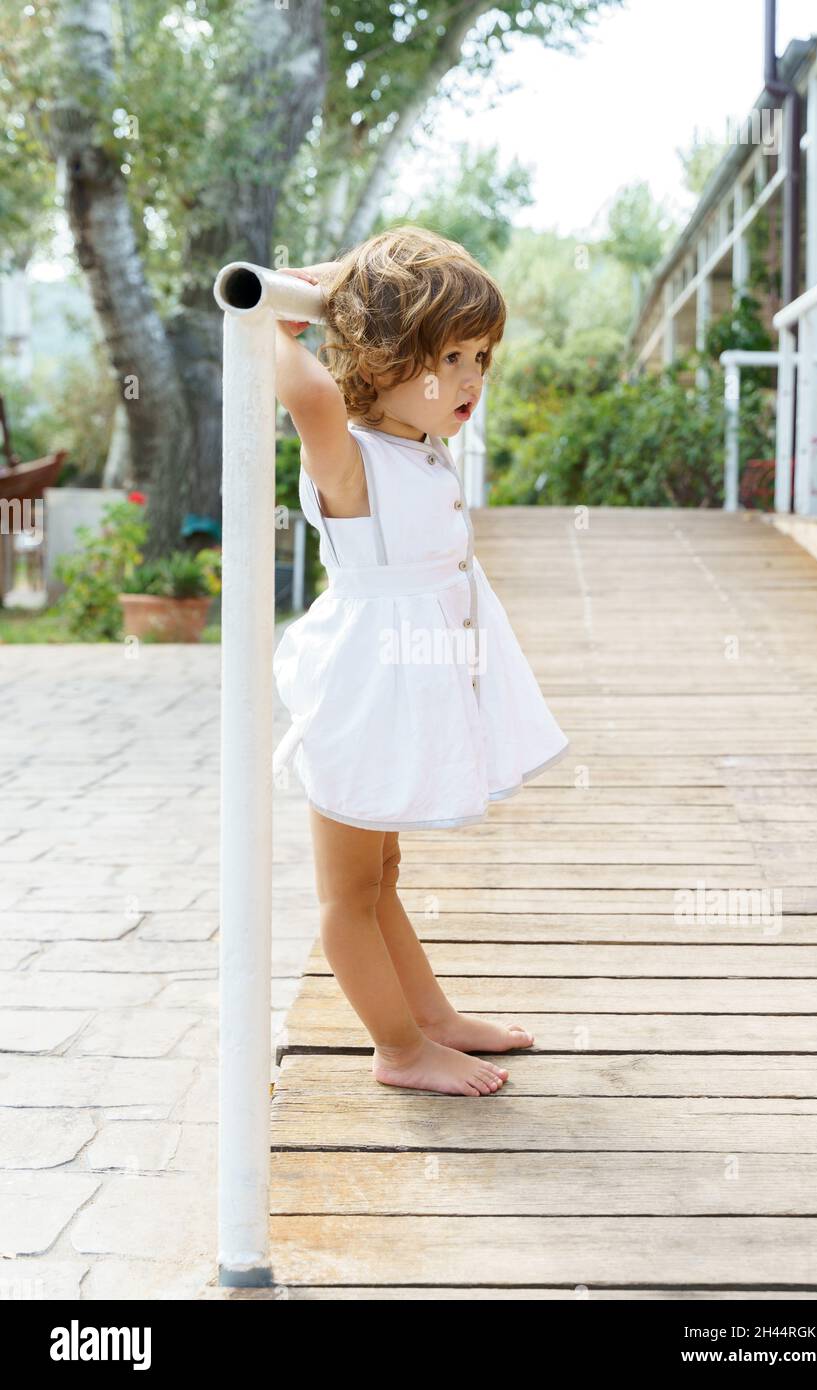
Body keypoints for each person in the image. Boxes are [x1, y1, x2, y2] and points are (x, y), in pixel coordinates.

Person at [272, 226, 570, 1097]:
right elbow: (314, 397)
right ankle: (398, 1049)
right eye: (452, 357)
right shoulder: (351, 455)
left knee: (381, 875)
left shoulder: (417, 444)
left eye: (483, 355)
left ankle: (430, 1019)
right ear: (385, 357)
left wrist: (368, 290)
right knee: (347, 894)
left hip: (404, 690)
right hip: (364, 699)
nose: (474, 378)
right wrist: (281, 315)